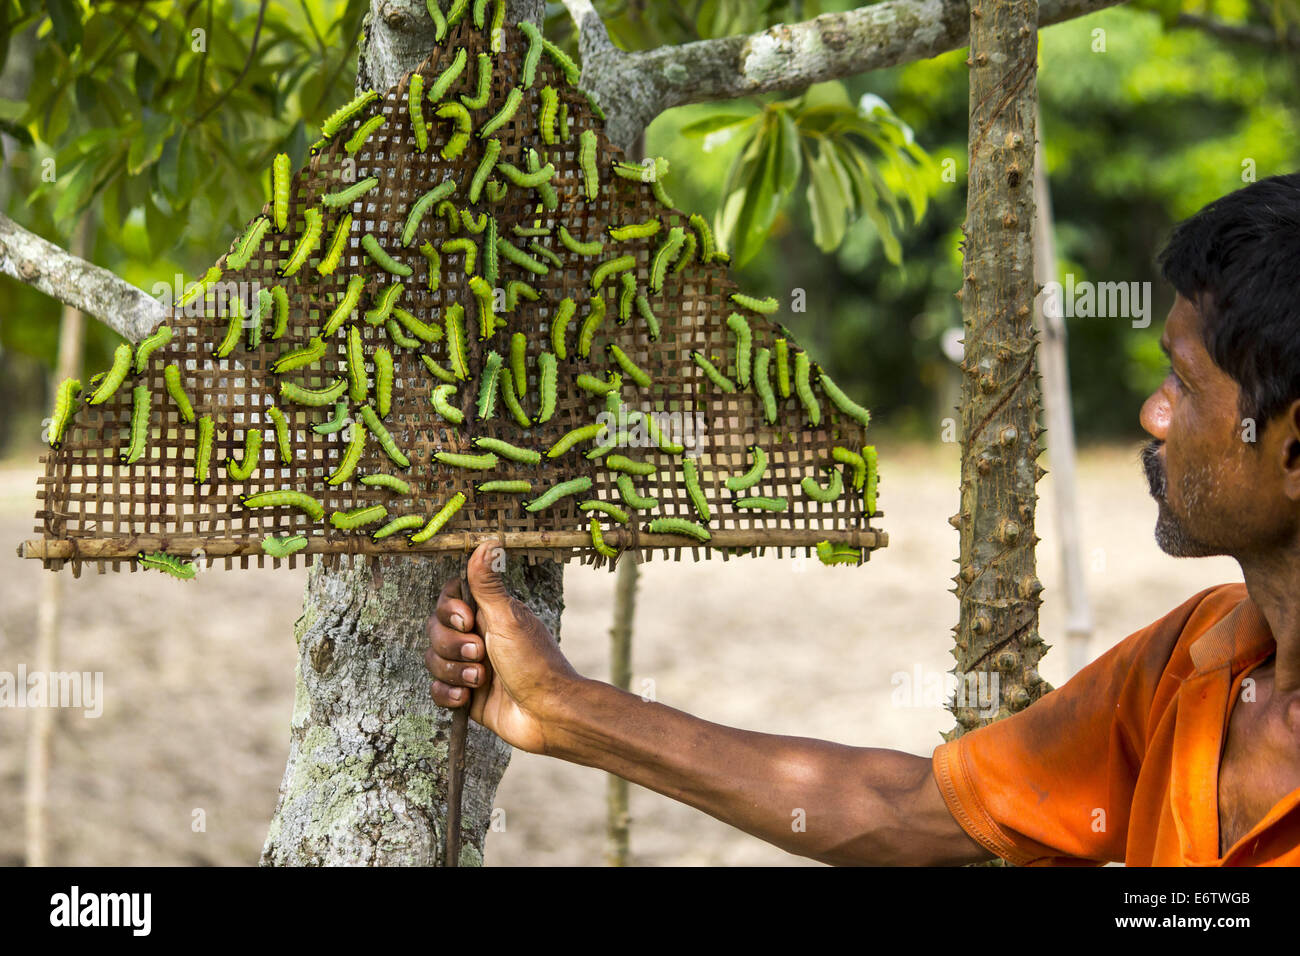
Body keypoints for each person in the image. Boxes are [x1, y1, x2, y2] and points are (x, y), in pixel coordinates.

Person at [425, 173, 1300, 866]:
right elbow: (910, 811)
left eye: (1182, 385)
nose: (1152, 415)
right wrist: (566, 709)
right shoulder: (1195, 663)